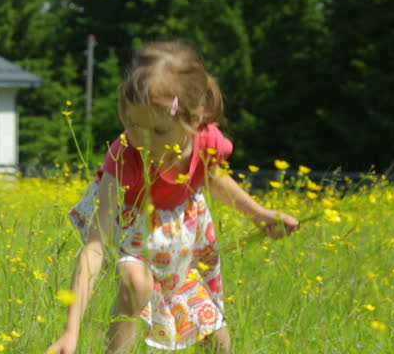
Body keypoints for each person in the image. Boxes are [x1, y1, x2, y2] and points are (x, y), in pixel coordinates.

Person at [45, 41, 300, 354]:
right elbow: (96, 246)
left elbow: (214, 179)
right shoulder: (125, 155)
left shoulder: (206, 141)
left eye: (160, 130)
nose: (143, 140)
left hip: (182, 235)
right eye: (132, 125)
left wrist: (260, 215)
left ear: (194, 119)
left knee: (215, 335)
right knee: (137, 285)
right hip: (134, 227)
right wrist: (71, 331)